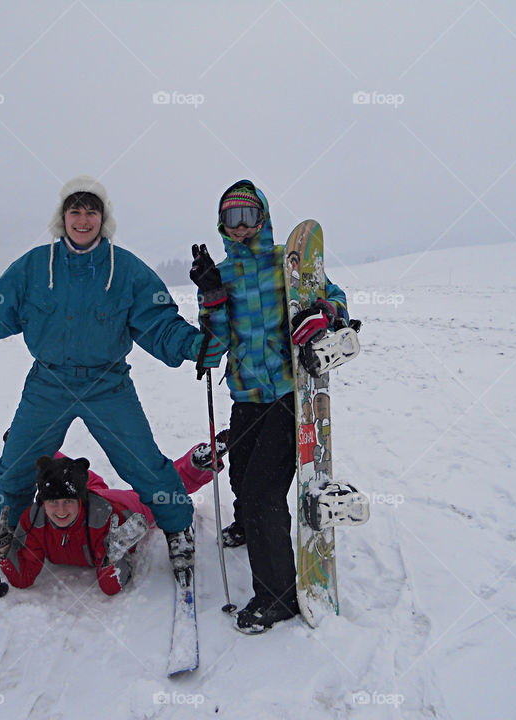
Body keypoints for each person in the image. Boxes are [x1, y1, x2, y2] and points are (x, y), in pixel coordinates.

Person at [0, 176, 225, 581]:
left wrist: (193, 345)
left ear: (102, 219)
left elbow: (159, 322)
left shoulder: (126, 270)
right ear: (62, 217)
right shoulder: (35, 267)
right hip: (48, 384)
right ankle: (10, 530)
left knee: (143, 465)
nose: (83, 219)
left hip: (108, 384)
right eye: (75, 210)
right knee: (15, 466)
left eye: (92, 211)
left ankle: (178, 529)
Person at [189, 179, 357, 633]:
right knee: (241, 476)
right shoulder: (222, 274)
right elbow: (217, 339)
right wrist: (210, 296)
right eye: (231, 218)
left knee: (263, 492)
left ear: (261, 217)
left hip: (288, 396)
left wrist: (327, 313)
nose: (240, 227)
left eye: (247, 216)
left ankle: (278, 595)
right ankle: (247, 528)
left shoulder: (290, 262)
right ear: (222, 225)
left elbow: (334, 298)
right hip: (245, 394)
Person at [0, 434, 230, 594]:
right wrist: (3, 544)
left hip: (115, 505)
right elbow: (22, 577)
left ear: (79, 500)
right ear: (42, 503)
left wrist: (113, 556)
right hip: (85, 490)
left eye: (67, 503)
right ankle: (34, 448)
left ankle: (196, 464)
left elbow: (111, 587)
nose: (60, 511)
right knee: (62, 474)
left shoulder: (108, 523)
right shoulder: (35, 520)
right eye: (53, 503)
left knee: (158, 497)